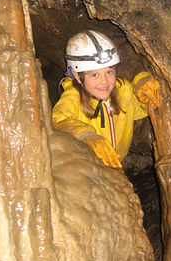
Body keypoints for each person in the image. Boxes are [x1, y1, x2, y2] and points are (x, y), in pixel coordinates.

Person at [52, 30, 160, 168]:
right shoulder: (73, 96)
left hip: (116, 160)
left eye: (109, 72)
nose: (104, 82)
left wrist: (142, 84)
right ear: (78, 77)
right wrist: (86, 136)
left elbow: (139, 109)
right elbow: (58, 120)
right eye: (94, 75)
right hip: (90, 167)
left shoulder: (122, 89)